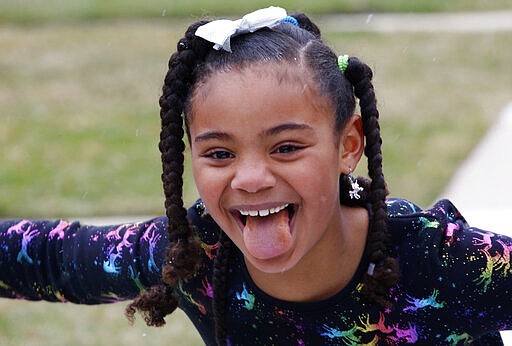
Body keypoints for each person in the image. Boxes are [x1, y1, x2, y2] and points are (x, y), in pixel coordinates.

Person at [0, 6, 510, 345]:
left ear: (347, 145)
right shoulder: (195, 254)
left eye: (286, 147)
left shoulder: (441, 258)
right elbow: (50, 258)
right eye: (219, 154)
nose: (249, 177)